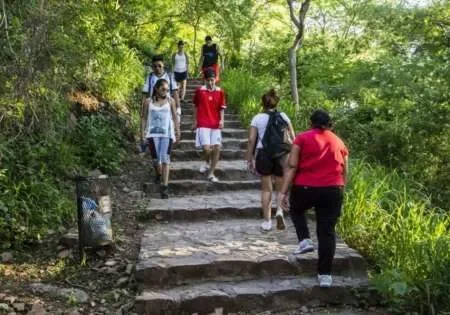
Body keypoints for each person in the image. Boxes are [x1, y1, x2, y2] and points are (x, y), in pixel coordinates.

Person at [278, 109, 349, 288]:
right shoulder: (339, 141)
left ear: (311, 123)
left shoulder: (302, 138)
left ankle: (304, 240)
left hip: (306, 187)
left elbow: (292, 165)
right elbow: (344, 171)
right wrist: (340, 191)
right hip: (333, 189)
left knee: (295, 208)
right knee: (327, 232)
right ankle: (325, 275)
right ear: (329, 124)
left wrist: (283, 192)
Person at [246, 89, 295, 231]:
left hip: (264, 155)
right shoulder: (284, 116)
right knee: (280, 188)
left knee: (266, 189)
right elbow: (293, 136)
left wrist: (249, 158)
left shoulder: (257, 118)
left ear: (262, 103)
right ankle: (279, 212)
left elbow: (251, 140)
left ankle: (267, 222)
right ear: (276, 103)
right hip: (282, 155)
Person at [141, 79, 180, 199]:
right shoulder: (148, 102)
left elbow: (174, 116)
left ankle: (164, 187)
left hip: (166, 134)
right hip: (152, 134)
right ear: (156, 88)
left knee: (165, 159)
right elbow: (143, 118)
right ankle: (158, 174)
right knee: (155, 158)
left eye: (167, 90)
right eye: (163, 89)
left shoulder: (170, 100)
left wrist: (177, 131)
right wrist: (142, 133)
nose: (165, 92)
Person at [192, 68, 226, 182]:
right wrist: (194, 121)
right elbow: (195, 106)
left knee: (217, 147)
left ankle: (211, 173)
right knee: (207, 149)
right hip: (203, 123)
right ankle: (206, 162)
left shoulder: (220, 91)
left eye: (212, 80)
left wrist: (222, 120)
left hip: (215, 124)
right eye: (208, 80)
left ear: (215, 79)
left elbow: (222, 108)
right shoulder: (199, 91)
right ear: (204, 80)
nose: (210, 83)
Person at [141, 55, 180, 141]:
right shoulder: (150, 77)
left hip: (167, 106)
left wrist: (178, 107)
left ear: (163, 65)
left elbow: (175, 92)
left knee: (167, 128)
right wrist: (142, 109)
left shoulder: (169, 76)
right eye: (155, 66)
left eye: (159, 66)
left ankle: (166, 149)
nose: (157, 68)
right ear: (152, 67)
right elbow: (144, 93)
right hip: (153, 106)